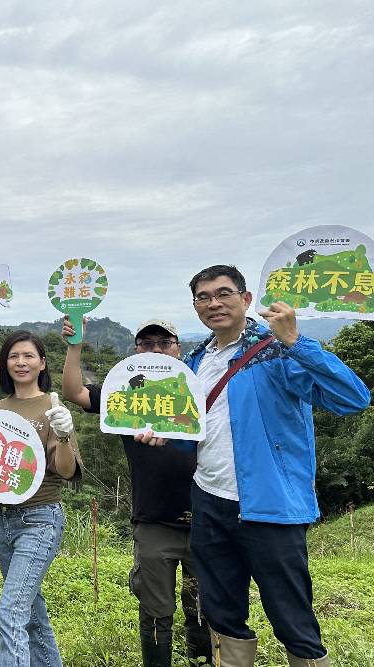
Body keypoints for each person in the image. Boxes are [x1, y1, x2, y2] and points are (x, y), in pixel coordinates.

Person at [183, 265, 370, 667]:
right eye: (203, 296)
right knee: (221, 610)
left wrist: (298, 342)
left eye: (224, 293)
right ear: (196, 306)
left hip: (269, 505)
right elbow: (200, 425)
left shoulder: (277, 351)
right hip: (209, 498)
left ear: (246, 299)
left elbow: (353, 398)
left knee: (291, 614)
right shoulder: (198, 358)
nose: (213, 303)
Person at [61, 317, 212, 667]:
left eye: (164, 343)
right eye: (147, 344)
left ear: (179, 348)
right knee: (156, 612)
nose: (156, 349)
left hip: (208, 518)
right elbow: (74, 392)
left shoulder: (202, 390)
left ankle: (202, 660)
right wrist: (74, 345)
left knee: (204, 609)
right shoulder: (126, 395)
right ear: (136, 351)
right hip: (154, 521)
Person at [0, 330, 82, 667]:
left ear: (42, 363)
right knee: (30, 609)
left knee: (10, 610)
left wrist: (64, 435)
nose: (20, 362)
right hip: (2, 521)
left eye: (28, 356)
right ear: (5, 364)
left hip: (40, 519)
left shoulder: (52, 405)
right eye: (13, 357)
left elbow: (65, 471)